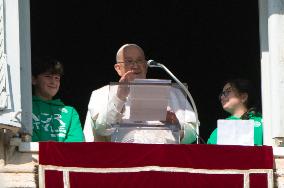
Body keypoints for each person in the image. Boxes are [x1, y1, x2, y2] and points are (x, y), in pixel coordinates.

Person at [83, 43, 197, 143]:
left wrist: (177, 127)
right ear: (118, 68)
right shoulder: (101, 94)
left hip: (164, 158)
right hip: (124, 160)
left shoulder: (173, 92)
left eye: (139, 61)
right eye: (129, 61)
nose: (135, 66)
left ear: (146, 66)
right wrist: (119, 97)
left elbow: (193, 131)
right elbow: (102, 129)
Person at [31, 56, 85, 142]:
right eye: (48, 76)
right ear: (34, 79)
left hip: (63, 156)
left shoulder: (70, 113)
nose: (53, 82)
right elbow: (26, 140)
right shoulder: (24, 108)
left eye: (57, 78)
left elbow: (76, 145)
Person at [207, 78, 263, 145]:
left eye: (228, 91)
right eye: (222, 94)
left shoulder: (264, 122)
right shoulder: (219, 129)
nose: (222, 97)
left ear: (243, 97)